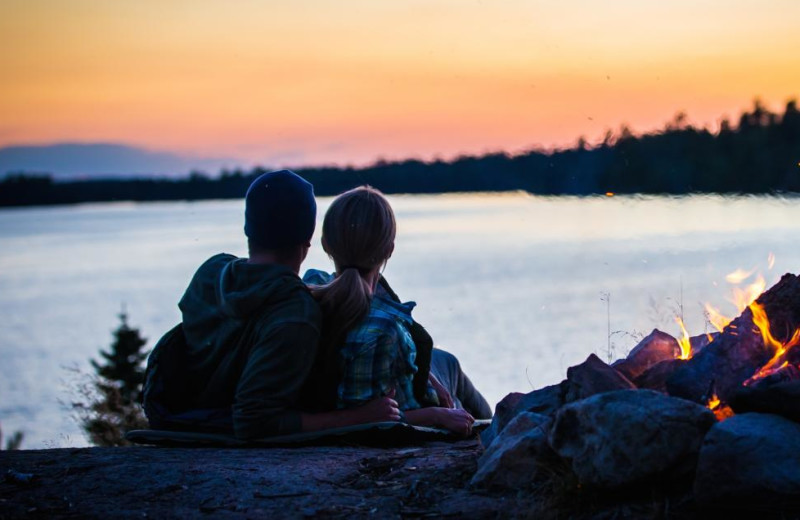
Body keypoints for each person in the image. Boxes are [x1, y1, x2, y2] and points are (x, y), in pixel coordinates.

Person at [143, 171, 400, 439]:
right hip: (224, 426)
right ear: (309, 238)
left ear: (248, 228)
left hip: (188, 412)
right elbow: (254, 421)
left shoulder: (211, 272)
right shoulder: (297, 314)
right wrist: (358, 418)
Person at [303, 186, 492, 436]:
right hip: (415, 414)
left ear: (326, 244)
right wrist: (437, 415)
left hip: (404, 384)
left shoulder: (314, 282)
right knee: (458, 388)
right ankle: (499, 430)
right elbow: (373, 419)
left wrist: (430, 378)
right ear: (389, 250)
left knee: (447, 361)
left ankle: (497, 422)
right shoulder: (381, 330)